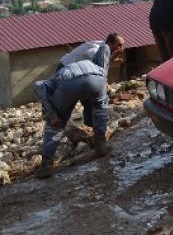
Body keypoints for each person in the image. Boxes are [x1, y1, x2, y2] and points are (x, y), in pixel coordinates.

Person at [32, 43, 121, 178]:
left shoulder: (50, 82)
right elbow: (105, 48)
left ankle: (46, 165)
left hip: (68, 83)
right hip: (97, 79)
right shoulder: (96, 61)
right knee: (100, 111)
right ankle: (100, 145)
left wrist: (53, 115)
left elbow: (38, 87)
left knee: (55, 126)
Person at [58, 33, 125, 71]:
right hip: (65, 67)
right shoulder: (96, 50)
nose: (121, 48)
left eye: (122, 45)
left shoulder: (104, 49)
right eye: (119, 45)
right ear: (110, 44)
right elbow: (86, 59)